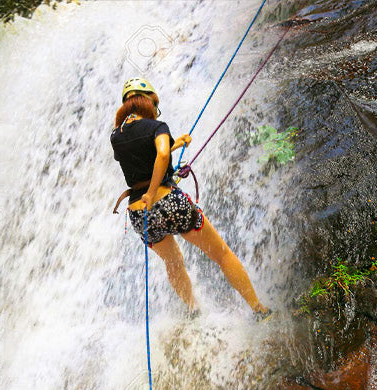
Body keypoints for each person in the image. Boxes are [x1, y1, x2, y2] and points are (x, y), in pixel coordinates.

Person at [109, 78, 270, 316]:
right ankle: (259, 309)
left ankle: (194, 311)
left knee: (172, 262)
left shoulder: (116, 136)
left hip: (140, 214)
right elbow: (161, 154)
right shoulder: (158, 126)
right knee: (222, 254)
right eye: (155, 104)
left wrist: (175, 144)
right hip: (169, 203)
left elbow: (143, 154)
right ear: (148, 102)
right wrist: (152, 191)